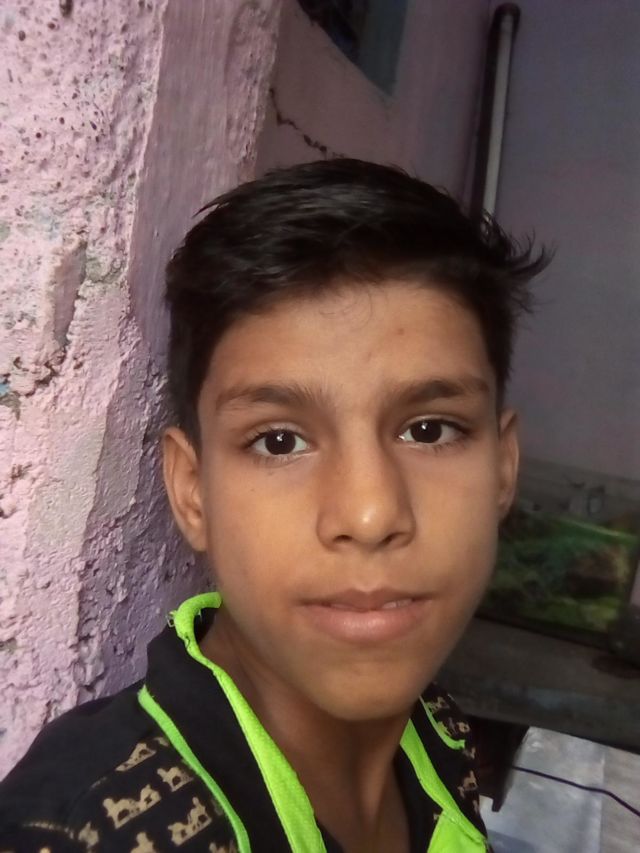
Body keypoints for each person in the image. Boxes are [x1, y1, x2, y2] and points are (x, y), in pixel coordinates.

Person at [0, 159, 547, 852]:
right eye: (280, 440)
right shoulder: (83, 832)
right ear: (192, 492)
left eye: (429, 430)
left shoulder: (438, 731)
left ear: (503, 466)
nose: (370, 515)